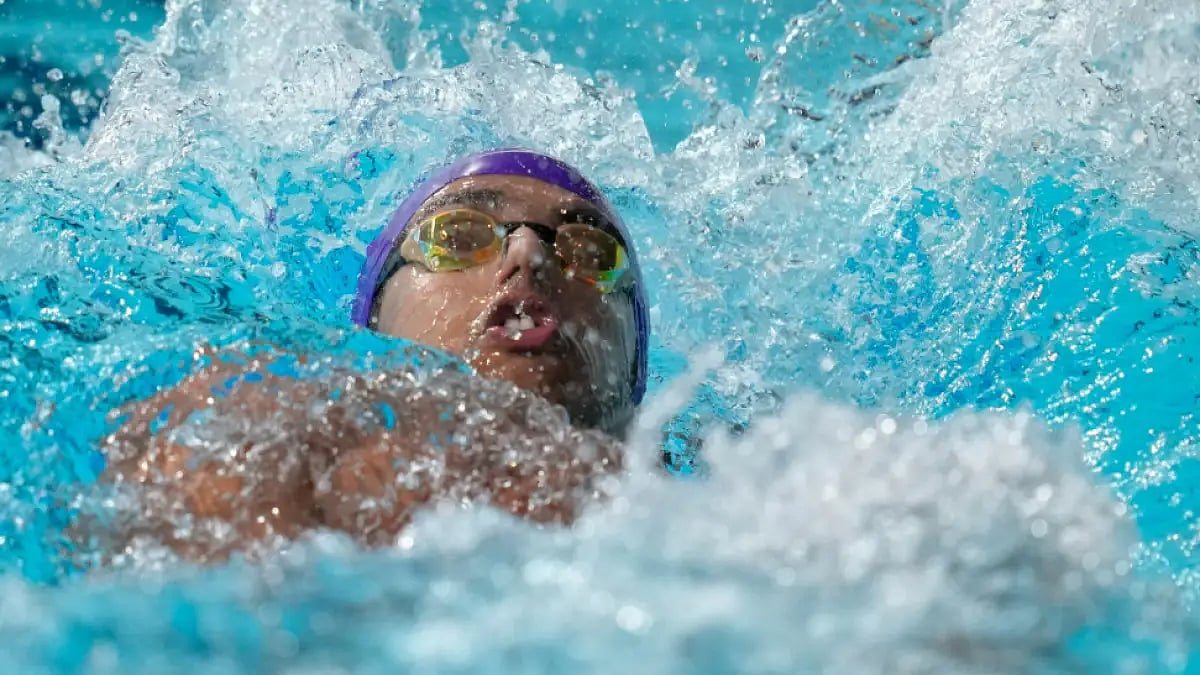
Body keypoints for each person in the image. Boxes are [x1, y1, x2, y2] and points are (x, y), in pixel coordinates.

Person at [96, 149, 651, 561]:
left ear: (634, 362)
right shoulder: (259, 415)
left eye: (591, 252)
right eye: (458, 237)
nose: (528, 255)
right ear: (376, 317)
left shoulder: (718, 488)